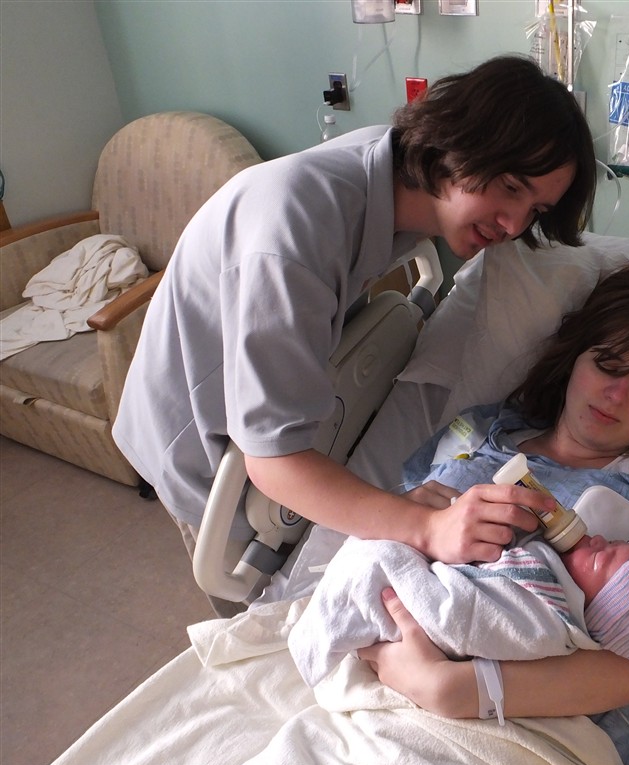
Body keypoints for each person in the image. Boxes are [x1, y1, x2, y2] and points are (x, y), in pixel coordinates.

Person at [110, 55, 598, 607]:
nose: (513, 225)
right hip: (198, 439)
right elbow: (274, 461)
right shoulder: (295, 228)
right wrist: (424, 527)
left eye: (535, 210)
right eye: (510, 187)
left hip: (269, 416)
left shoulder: (393, 174)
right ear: (458, 143)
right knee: (255, 613)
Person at [357, 262, 629, 765]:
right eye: (608, 364)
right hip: (388, 682)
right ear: (575, 356)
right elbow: (388, 547)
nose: (616, 394)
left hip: (541, 729)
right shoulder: (478, 433)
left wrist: (460, 688)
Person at [288, 531, 629, 690]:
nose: (598, 538)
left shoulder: (545, 623)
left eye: (602, 558)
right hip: (436, 568)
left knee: (377, 561)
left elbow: (461, 619)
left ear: (598, 608)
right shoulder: (554, 571)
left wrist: (409, 570)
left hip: (429, 611)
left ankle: (320, 637)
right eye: (612, 540)